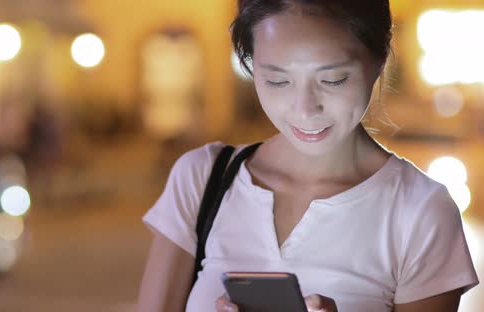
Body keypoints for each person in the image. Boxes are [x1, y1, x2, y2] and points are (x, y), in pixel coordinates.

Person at [136, 1, 479, 311]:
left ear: (380, 59)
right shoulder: (202, 179)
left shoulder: (419, 209)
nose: (304, 110)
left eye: (332, 79)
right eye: (277, 81)